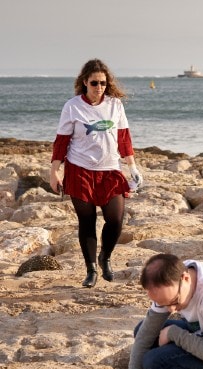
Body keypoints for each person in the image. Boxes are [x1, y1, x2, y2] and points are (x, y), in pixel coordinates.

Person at [49, 59, 143, 288]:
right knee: (87, 221)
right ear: (85, 82)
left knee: (115, 220)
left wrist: (132, 166)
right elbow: (61, 141)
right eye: (94, 83)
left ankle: (105, 257)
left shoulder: (115, 105)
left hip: (110, 170)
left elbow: (123, 137)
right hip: (80, 170)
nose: (99, 87)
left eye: (103, 83)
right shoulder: (72, 106)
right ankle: (91, 269)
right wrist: (54, 171)